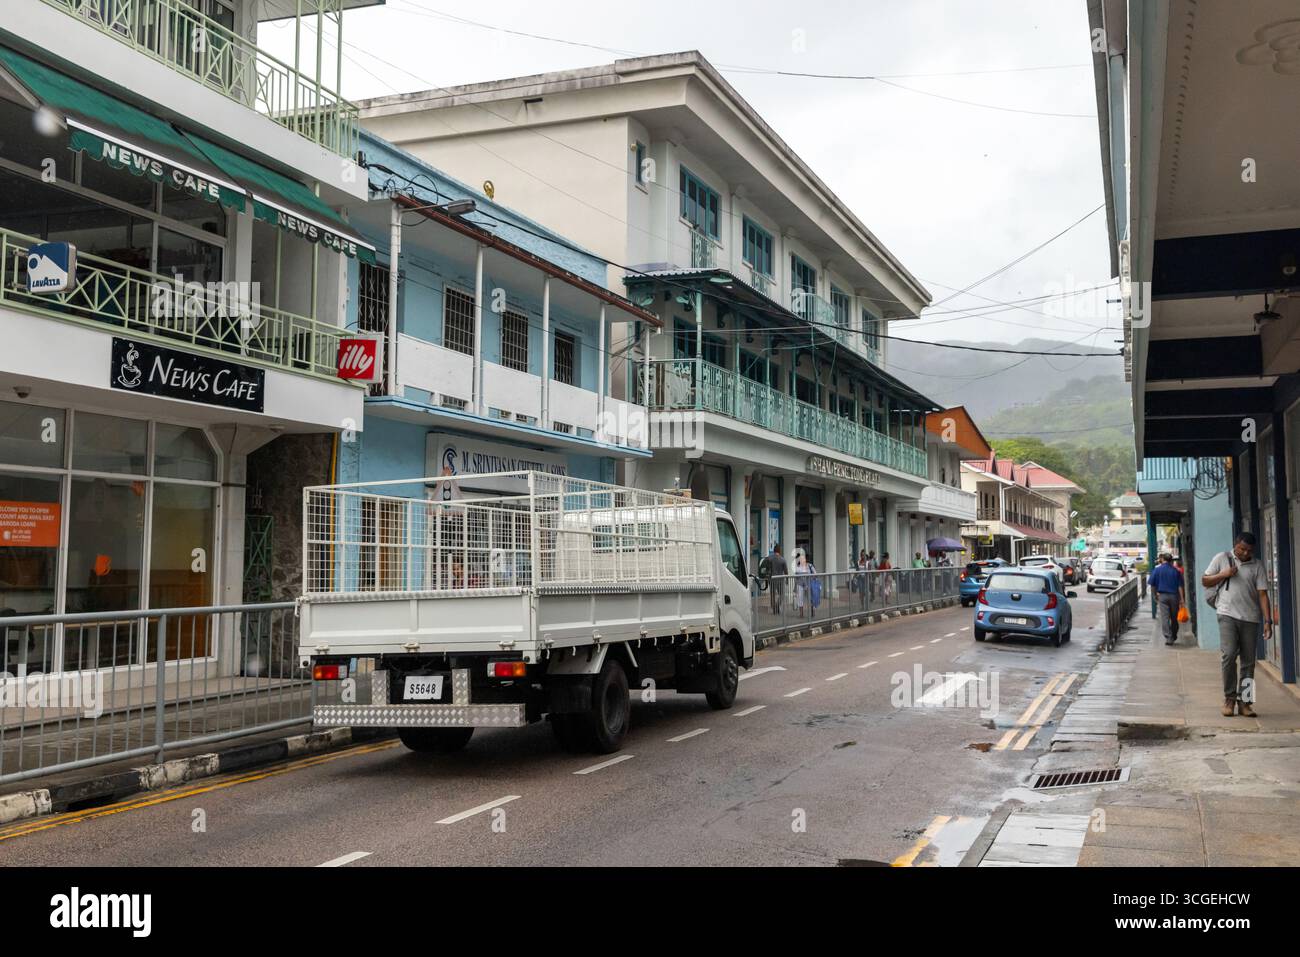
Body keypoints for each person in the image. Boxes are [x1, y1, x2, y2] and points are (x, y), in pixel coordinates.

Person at [1202, 532, 1273, 718]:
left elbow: (1263, 594)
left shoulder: (1257, 565)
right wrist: (1223, 574)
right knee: (1229, 655)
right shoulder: (1222, 558)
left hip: (1250, 618)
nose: (1245, 553)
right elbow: (1205, 580)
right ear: (1235, 545)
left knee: (1248, 662)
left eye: (1249, 550)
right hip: (1226, 614)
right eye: (1242, 549)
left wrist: (1268, 621)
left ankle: (1245, 703)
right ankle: (1229, 699)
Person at [1147, 552, 1185, 646]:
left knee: (1165, 617)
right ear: (1171, 560)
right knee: (1174, 618)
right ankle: (1174, 635)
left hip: (1162, 596)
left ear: (1163, 559)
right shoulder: (1176, 571)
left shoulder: (1157, 570)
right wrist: (1182, 599)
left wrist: (1154, 596)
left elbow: (1152, 585)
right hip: (1174, 596)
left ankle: (1168, 637)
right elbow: (1180, 586)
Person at [764, 543, 788, 615]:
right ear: (779, 551)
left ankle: (774, 608)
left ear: (774, 550)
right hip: (780, 579)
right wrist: (787, 580)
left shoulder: (769, 558)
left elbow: (766, 569)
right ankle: (777, 605)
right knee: (781, 594)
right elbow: (786, 571)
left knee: (772, 594)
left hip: (772, 579)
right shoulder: (783, 559)